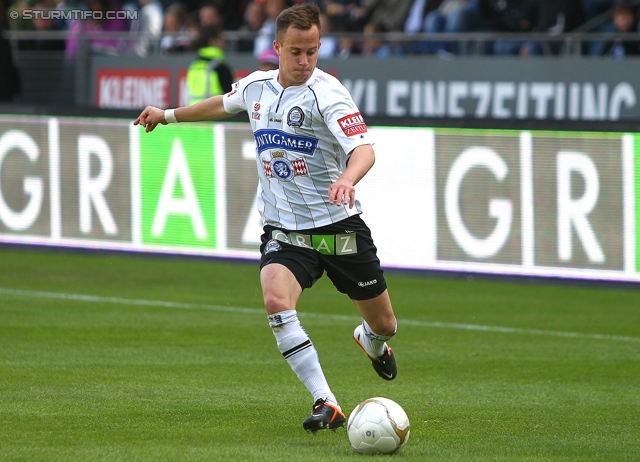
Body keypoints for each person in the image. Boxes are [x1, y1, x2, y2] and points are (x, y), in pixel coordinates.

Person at [134, 3, 398, 435]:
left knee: (384, 322)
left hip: (337, 228)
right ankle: (326, 401)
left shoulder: (327, 93)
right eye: (296, 51)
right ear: (277, 47)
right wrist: (167, 115)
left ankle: (370, 340)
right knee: (276, 301)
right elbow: (223, 103)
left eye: (312, 51)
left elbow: (364, 149)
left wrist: (348, 179)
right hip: (285, 230)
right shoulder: (257, 87)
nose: (305, 61)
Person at [185, 25, 234, 105]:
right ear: (213, 41)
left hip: (193, 115)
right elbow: (231, 99)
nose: (224, 41)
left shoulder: (194, 65)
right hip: (213, 116)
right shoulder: (220, 67)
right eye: (221, 38)